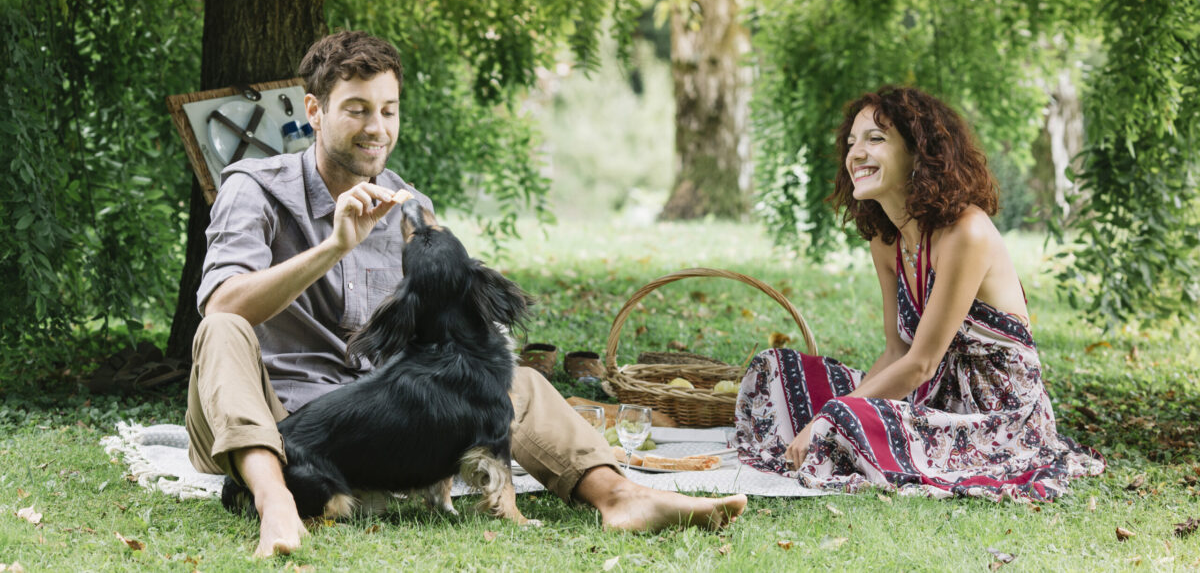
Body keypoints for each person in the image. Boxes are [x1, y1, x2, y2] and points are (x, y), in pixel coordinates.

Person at [185, 30, 746, 557]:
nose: (375, 127)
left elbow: (452, 333)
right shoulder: (252, 189)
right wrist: (333, 247)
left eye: (388, 110)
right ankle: (276, 500)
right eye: (356, 109)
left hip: (377, 423)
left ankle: (621, 498)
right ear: (315, 112)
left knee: (512, 379)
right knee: (220, 329)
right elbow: (223, 304)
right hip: (275, 420)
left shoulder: (409, 207)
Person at [735, 86, 1104, 501]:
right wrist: (838, 412)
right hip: (930, 401)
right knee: (779, 370)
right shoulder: (886, 242)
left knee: (838, 417)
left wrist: (832, 417)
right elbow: (896, 352)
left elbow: (921, 363)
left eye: (875, 139)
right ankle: (846, 434)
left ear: (919, 153)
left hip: (997, 420)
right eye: (852, 142)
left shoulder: (967, 232)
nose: (856, 153)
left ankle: (849, 436)